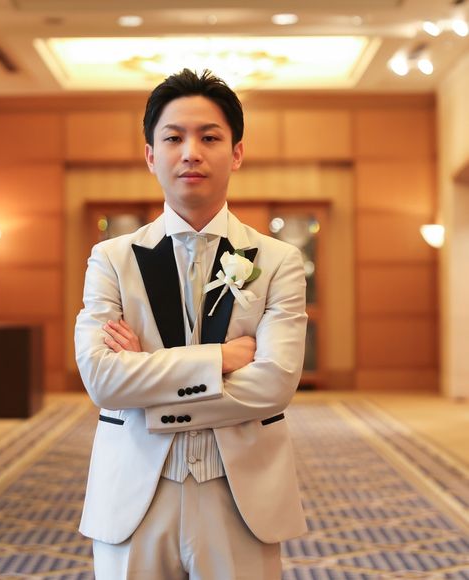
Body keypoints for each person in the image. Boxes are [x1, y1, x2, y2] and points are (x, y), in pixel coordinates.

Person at [74, 68, 308, 579]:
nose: (191, 153)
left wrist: (147, 378)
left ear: (236, 153)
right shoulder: (111, 259)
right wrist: (219, 359)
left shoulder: (277, 261)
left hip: (240, 497)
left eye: (209, 138)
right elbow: (102, 380)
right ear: (150, 155)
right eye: (173, 138)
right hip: (133, 495)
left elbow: (274, 384)